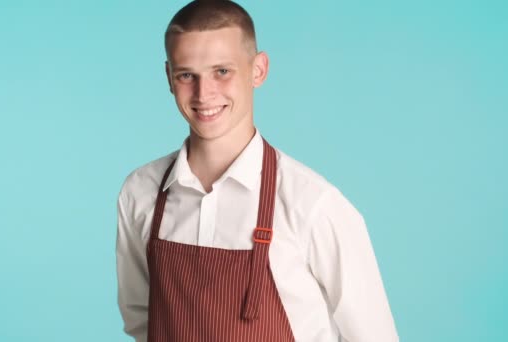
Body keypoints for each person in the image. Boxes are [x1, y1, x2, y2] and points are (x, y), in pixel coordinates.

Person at [116, 1, 399, 341]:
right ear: (169, 78)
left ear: (258, 70)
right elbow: (141, 320)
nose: (204, 94)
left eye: (222, 71)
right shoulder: (141, 192)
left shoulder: (313, 204)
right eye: (187, 74)